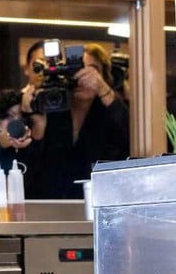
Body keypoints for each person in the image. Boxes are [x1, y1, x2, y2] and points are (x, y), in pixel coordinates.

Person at [23, 43, 129, 199]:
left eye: (91, 70)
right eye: (76, 70)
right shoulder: (51, 107)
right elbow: (29, 169)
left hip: (100, 202)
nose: (83, 77)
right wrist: (38, 127)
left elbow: (131, 135)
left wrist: (103, 90)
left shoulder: (111, 111)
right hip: (52, 206)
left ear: (104, 76)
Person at [0, 89, 32, 199]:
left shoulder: (26, 149)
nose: (16, 124)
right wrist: (0, 140)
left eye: (21, 120)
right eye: (9, 116)